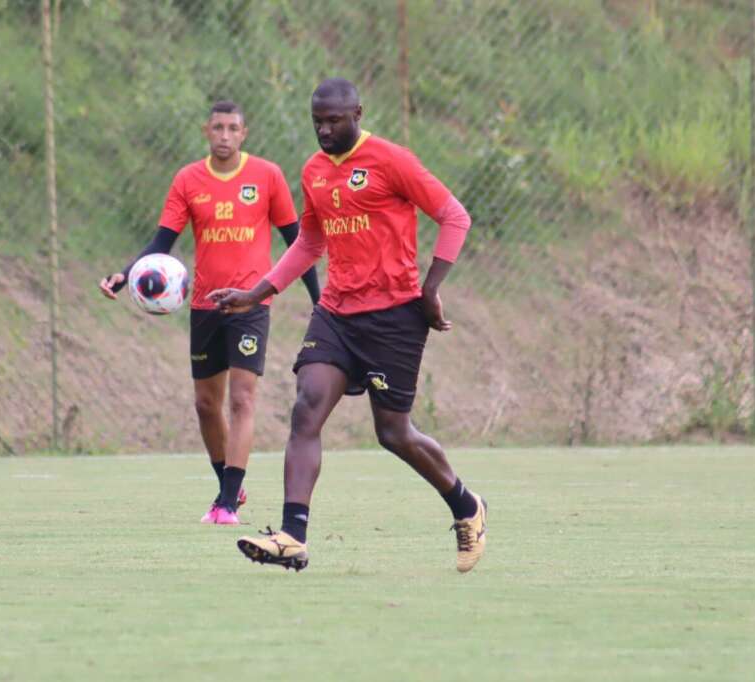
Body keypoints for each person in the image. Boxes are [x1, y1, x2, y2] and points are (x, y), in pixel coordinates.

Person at [208, 78, 486, 572]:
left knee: (394, 433)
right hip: (336, 312)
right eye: (317, 121)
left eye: (334, 120)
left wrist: (430, 288)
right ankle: (292, 535)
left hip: (394, 316)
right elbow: (310, 244)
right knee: (306, 407)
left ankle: (466, 505)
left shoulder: (391, 160)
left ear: (357, 112)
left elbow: (454, 216)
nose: (324, 130)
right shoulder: (314, 171)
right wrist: (257, 291)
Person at [99, 100, 320, 525]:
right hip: (204, 304)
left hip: (251, 303)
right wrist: (124, 275)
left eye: (232, 128)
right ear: (207, 131)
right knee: (206, 404)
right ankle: (228, 488)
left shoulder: (266, 176)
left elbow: (299, 242)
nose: (224, 135)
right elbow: (161, 242)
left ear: (244, 133)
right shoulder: (188, 180)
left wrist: (319, 300)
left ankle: (225, 501)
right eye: (217, 127)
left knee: (243, 398)